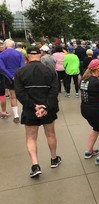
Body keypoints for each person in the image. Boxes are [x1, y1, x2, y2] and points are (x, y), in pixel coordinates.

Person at [14, 46, 61, 178]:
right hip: (48, 110)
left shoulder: (20, 72)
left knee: (31, 138)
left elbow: (19, 93)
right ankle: (53, 158)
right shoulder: (50, 71)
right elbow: (54, 91)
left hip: (30, 110)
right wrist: (45, 107)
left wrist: (34, 106)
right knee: (50, 134)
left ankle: (35, 165)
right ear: (40, 55)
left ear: (27, 56)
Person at [0, 39, 25, 123]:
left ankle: (16, 115)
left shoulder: (1, 55)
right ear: (13, 45)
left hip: (9, 78)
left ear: (5, 45)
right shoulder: (19, 53)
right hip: (20, 77)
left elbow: (2, 68)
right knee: (24, 94)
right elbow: (22, 65)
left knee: (13, 96)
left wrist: (11, 76)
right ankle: (27, 112)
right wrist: (18, 75)